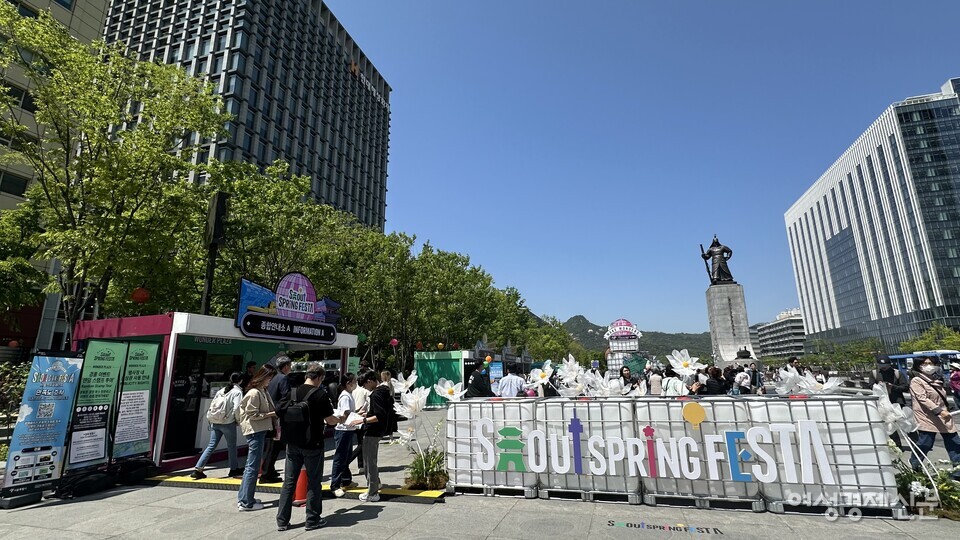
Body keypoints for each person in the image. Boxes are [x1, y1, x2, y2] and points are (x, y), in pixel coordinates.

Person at [276, 362, 345, 531]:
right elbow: (330, 420)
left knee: (289, 482)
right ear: (320, 377)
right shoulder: (320, 394)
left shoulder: (292, 392)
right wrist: (341, 420)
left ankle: (282, 521)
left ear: (307, 375)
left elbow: (279, 410)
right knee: (314, 483)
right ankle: (312, 520)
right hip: (312, 443)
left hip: (292, 443)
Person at [908, 356, 960, 479]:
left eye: (931, 363)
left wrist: (944, 411)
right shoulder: (917, 380)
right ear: (919, 365)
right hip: (927, 417)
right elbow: (922, 398)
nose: (929, 365)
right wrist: (939, 411)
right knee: (925, 443)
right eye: (925, 363)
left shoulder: (937, 379)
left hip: (944, 416)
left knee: (955, 443)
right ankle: (915, 464)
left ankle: (958, 472)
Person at [237, 363, 278, 511]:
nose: (270, 380)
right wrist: (272, 414)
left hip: (258, 430)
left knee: (251, 466)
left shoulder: (261, 391)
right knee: (253, 468)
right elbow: (252, 414)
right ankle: (247, 502)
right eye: (269, 377)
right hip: (255, 431)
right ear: (264, 376)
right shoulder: (255, 393)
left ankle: (245, 498)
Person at [350, 370, 393, 502]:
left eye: (364, 385)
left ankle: (372, 492)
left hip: (372, 431)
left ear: (369, 381)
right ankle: (376, 484)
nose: (365, 388)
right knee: (370, 461)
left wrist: (362, 420)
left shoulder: (376, 394)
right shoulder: (384, 391)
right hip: (379, 430)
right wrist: (366, 415)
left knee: (369, 462)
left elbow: (379, 415)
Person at [192, 372, 244, 479]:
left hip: (216, 422)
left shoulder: (222, 390)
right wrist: (238, 421)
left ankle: (198, 468)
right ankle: (233, 468)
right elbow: (237, 408)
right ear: (241, 380)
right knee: (232, 446)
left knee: (211, 445)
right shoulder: (237, 392)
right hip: (228, 423)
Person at [260, 354, 292, 484]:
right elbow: (286, 397)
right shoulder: (283, 378)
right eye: (289, 366)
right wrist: (280, 412)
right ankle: (266, 473)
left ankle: (269, 470)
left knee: (271, 445)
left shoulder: (271, 378)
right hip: (277, 417)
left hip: (270, 415)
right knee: (274, 446)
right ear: (285, 367)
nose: (290, 368)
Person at [330, 373, 359, 497]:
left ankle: (346, 479)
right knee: (340, 458)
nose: (356, 383)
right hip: (343, 430)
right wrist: (356, 415)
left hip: (348, 430)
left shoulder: (349, 395)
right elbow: (346, 413)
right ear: (348, 383)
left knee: (346, 457)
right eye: (354, 381)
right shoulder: (345, 396)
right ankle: (335, 485)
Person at [350, 368, 373, 472]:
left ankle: (361, 465)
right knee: (362, 443)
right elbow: (367, 405)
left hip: (353, 417)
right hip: (362, 419)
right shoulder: (366, 391)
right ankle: (357, 462)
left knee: (359, 442)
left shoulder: (353, 391)